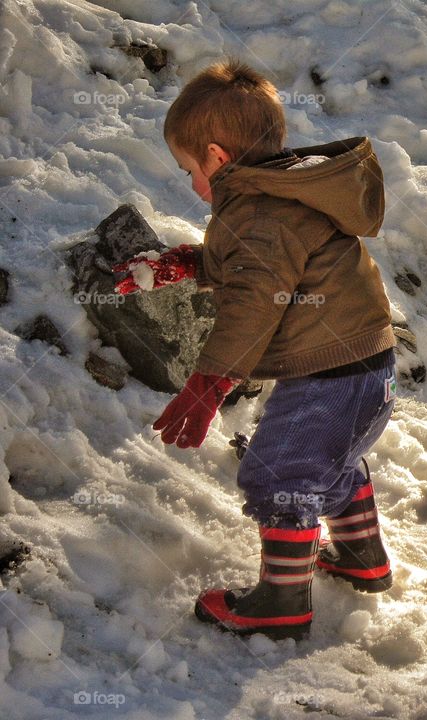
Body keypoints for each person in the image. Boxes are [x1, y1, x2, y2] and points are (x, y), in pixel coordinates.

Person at [113, 60, 397, 640]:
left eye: (189, 169)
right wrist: (188, 263)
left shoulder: (260, 213)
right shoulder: (278, 196)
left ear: (216, 157)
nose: (192, 183)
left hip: (331, 375)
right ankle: (361, 556)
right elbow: (260, 269)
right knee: (329, 460)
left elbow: (252, 306)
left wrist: (208, 385)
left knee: (280, 475)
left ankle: (282, 604)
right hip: (364, 367)